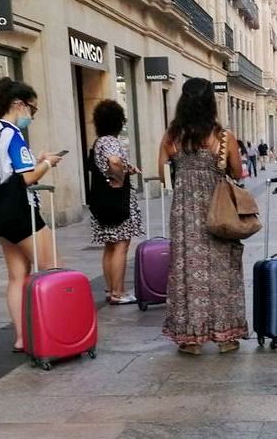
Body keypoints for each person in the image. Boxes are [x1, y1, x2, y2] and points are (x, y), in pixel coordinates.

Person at [158, 78, 247, 355]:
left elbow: (161, 172)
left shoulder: (172, 137)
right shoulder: (224, 137)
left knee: (186, 271)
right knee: (221, 271)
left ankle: (191, 339)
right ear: (211, 103)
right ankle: (225, 336)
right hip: (217, 212)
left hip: (184, 215)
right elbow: (237, 172)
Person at [0, 77, 62, 353]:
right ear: (18, 104)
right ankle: (56, 332)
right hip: (21, 210)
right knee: (52, 268)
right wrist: (48, 163)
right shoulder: (12, 133)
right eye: (32, 110)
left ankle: (22, 338)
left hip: (1, 211)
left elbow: (6, 172)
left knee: (16, 276)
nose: (31, 117)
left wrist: (36, 161)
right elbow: (27, 178)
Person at [90, 100, 144, 305]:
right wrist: (120, 177)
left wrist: (126, 168)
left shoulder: (99, 142)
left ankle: (109, 288)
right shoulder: (111, 141)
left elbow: (107, 164)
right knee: (121, 245)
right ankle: (118, 292)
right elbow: (113, 161)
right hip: (117, 202)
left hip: (102, 202)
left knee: (110, 245)